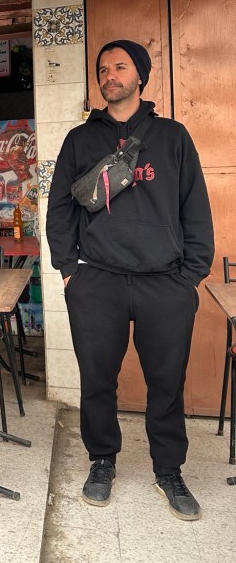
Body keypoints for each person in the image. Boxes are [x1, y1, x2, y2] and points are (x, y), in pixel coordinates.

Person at [46, 39, 214, 521]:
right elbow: (59, 207)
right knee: (97, 379)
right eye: (103, 69)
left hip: (166, 282)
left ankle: (169, 470)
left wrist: (190, 276)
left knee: (167, 381)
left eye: (120, 67)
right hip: (96, 279)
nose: (109, 75)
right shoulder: (80, 140)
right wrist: (68, 269)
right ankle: (102, 461)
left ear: (139, 76)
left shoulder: (173, 136)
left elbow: (195, 208)